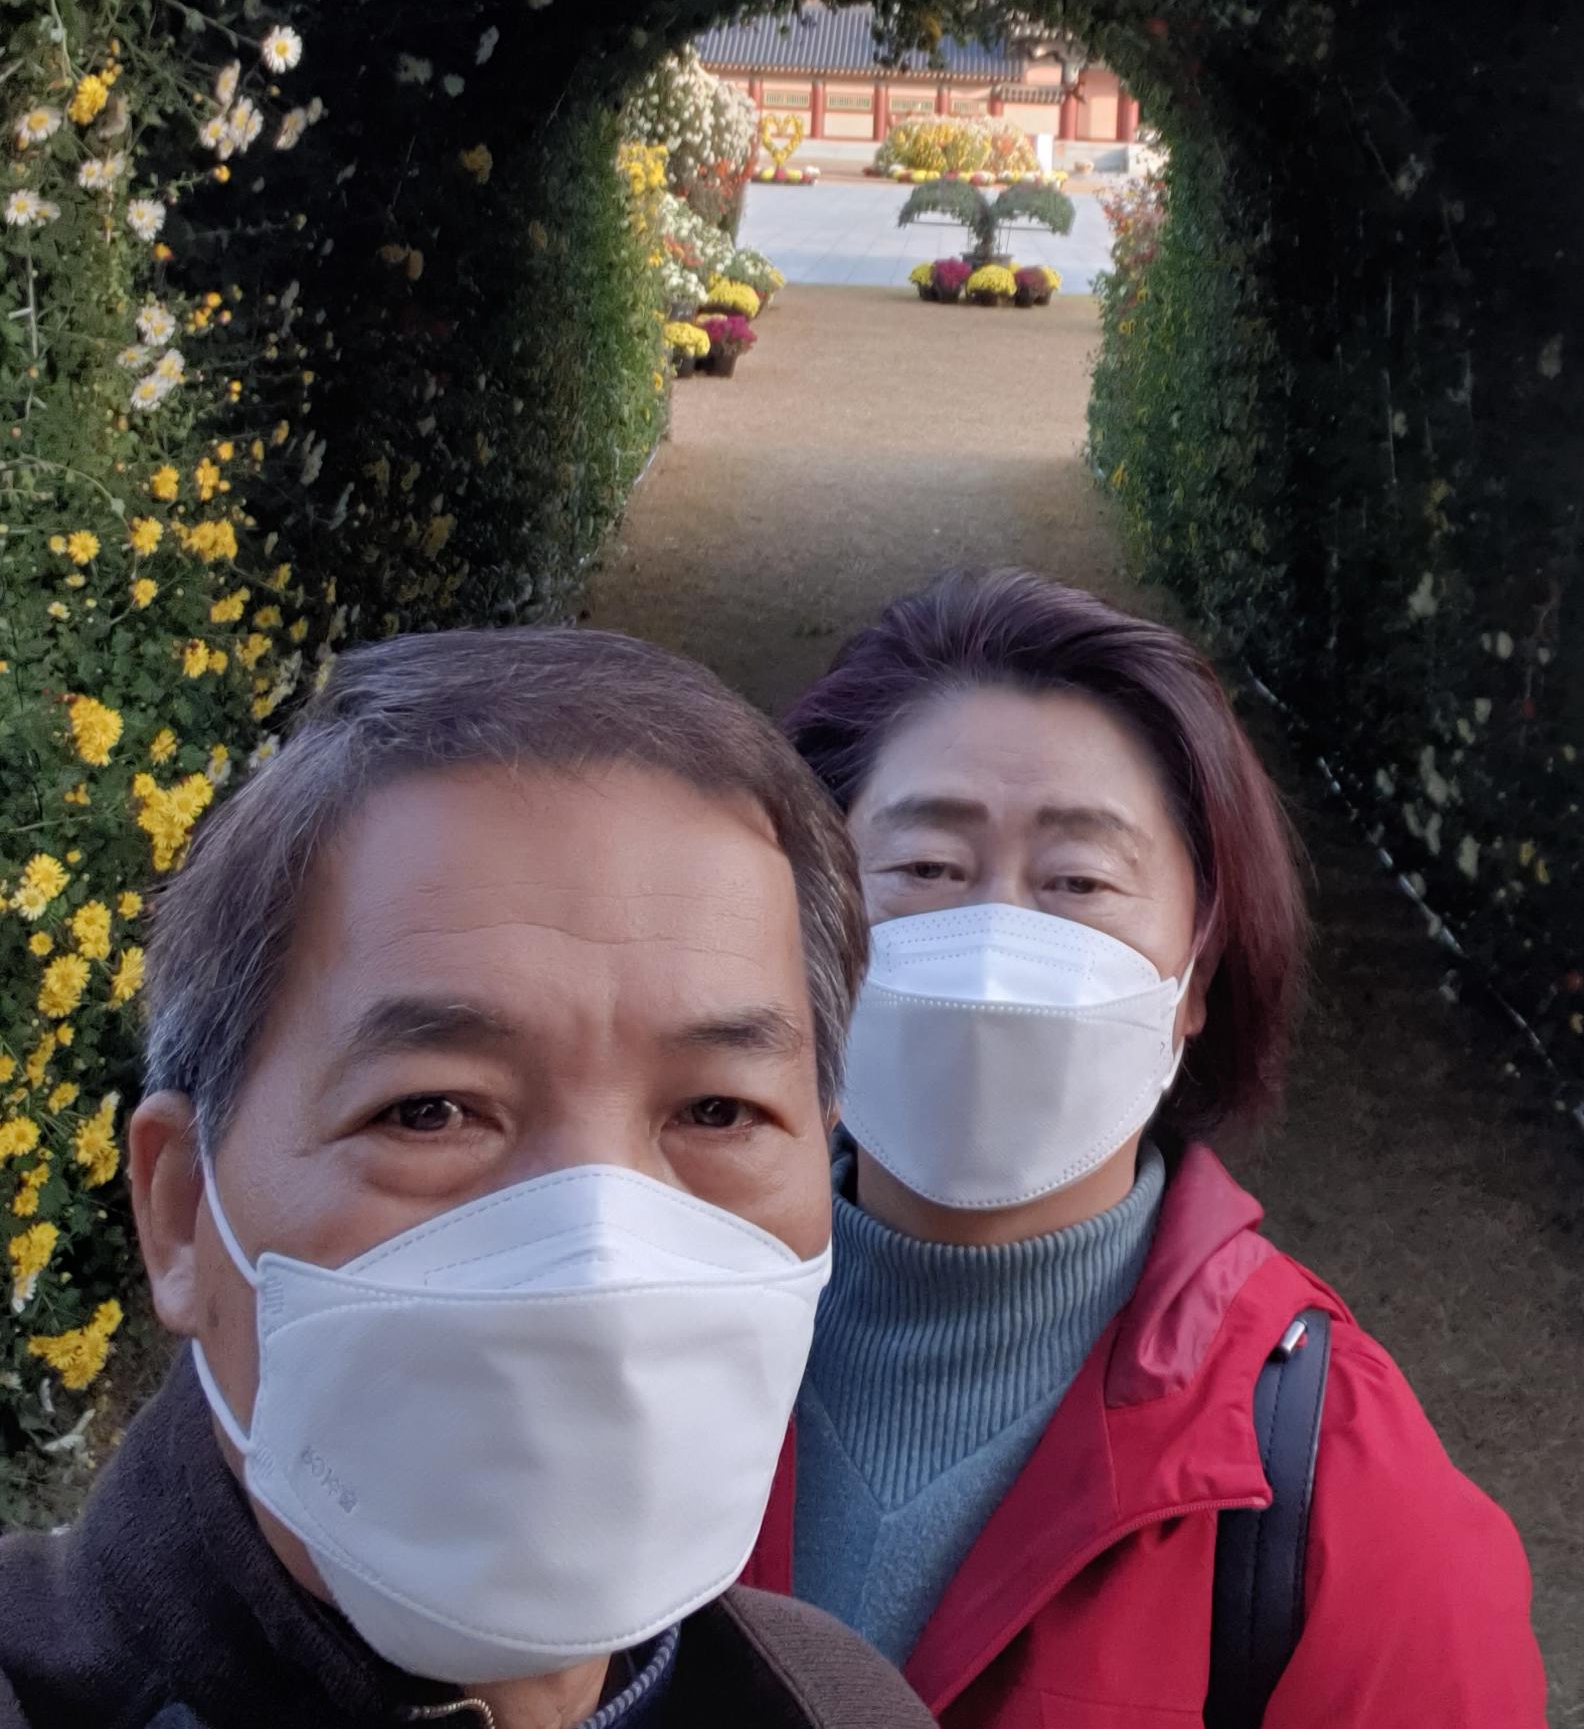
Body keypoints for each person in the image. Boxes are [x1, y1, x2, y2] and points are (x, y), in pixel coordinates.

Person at [0, 627, 936, 1729]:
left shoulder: (839, 1706)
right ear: (181, 1213)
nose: (598, 1261)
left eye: (717, 1112)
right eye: (430, 1111)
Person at [746, 570, 1548, 1727]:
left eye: (1078, 882)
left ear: (1197, 974)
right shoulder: (641, 1329)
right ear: (809, 918)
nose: (993, 948)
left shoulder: (1338, 1491)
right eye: (924, 868)